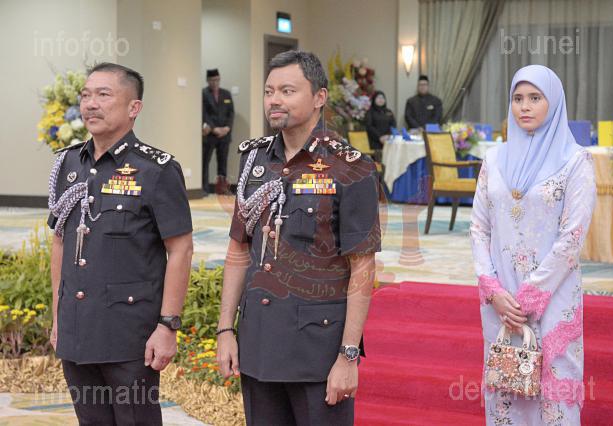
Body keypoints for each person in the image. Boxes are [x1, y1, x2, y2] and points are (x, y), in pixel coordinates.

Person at [216, 50, 381, 425]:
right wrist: (226, 329)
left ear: (319, 97)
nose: (274, 100)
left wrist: (348, 356)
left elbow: (362, 265)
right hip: (258, 344)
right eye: (269, 91)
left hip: (316, 351)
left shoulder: (351, 166)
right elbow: (239, 250)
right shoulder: (254, 160)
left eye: (287, 91)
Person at [47, 62, 193, 425]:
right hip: (78, 327)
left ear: (133, 107)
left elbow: (180, 249)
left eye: (103, 95)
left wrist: (168, 325)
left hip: (130, 334)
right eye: (85, 95)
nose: (90, 104)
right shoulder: (68, 164)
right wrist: (58, 315)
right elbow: (60, 240)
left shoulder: (156, 170)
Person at [470, 65, 596, 425]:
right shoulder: (493, 159)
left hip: (553, 295)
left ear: (553, 102)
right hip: (501, 300)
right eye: (518, 98)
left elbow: (572, 237)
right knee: (507, 386)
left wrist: (530, 296)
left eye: (535, 98)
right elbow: (478, 227)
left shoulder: (576, 161)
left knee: (554, 389)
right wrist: (493, 290)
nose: (524, 106)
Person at [202, 68, 234, 194]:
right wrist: (214, 128)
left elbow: (231, 113)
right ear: (207, 80)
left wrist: (227, 128)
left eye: (216, 80)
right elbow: (203, 113)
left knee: (223, 162)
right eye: (212, 80)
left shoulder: (226, 94)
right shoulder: (203, 94)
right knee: (205, 162)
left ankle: (222, 188)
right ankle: (204, 188)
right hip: (210, 134)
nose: (215, 82)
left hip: (224, 135)